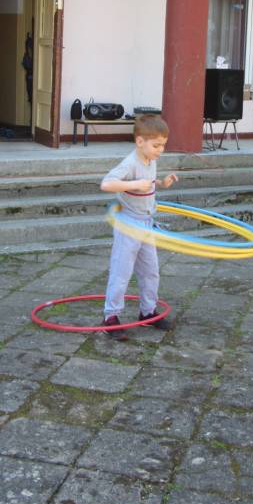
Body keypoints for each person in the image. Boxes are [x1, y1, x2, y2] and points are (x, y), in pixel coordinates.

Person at [100, 113, 178, 341]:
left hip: (146, 224)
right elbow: (106, 184)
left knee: (151, 271)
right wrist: (134, 184)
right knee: (121, 273)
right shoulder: (130, 162)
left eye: (163, 145)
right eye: (156, 145)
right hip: (129, 225)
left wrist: (162, 183)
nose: (161, 150)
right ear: (140, 141)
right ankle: (110, 318)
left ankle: (148, 312)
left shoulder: (151, 160)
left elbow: (149, 183)